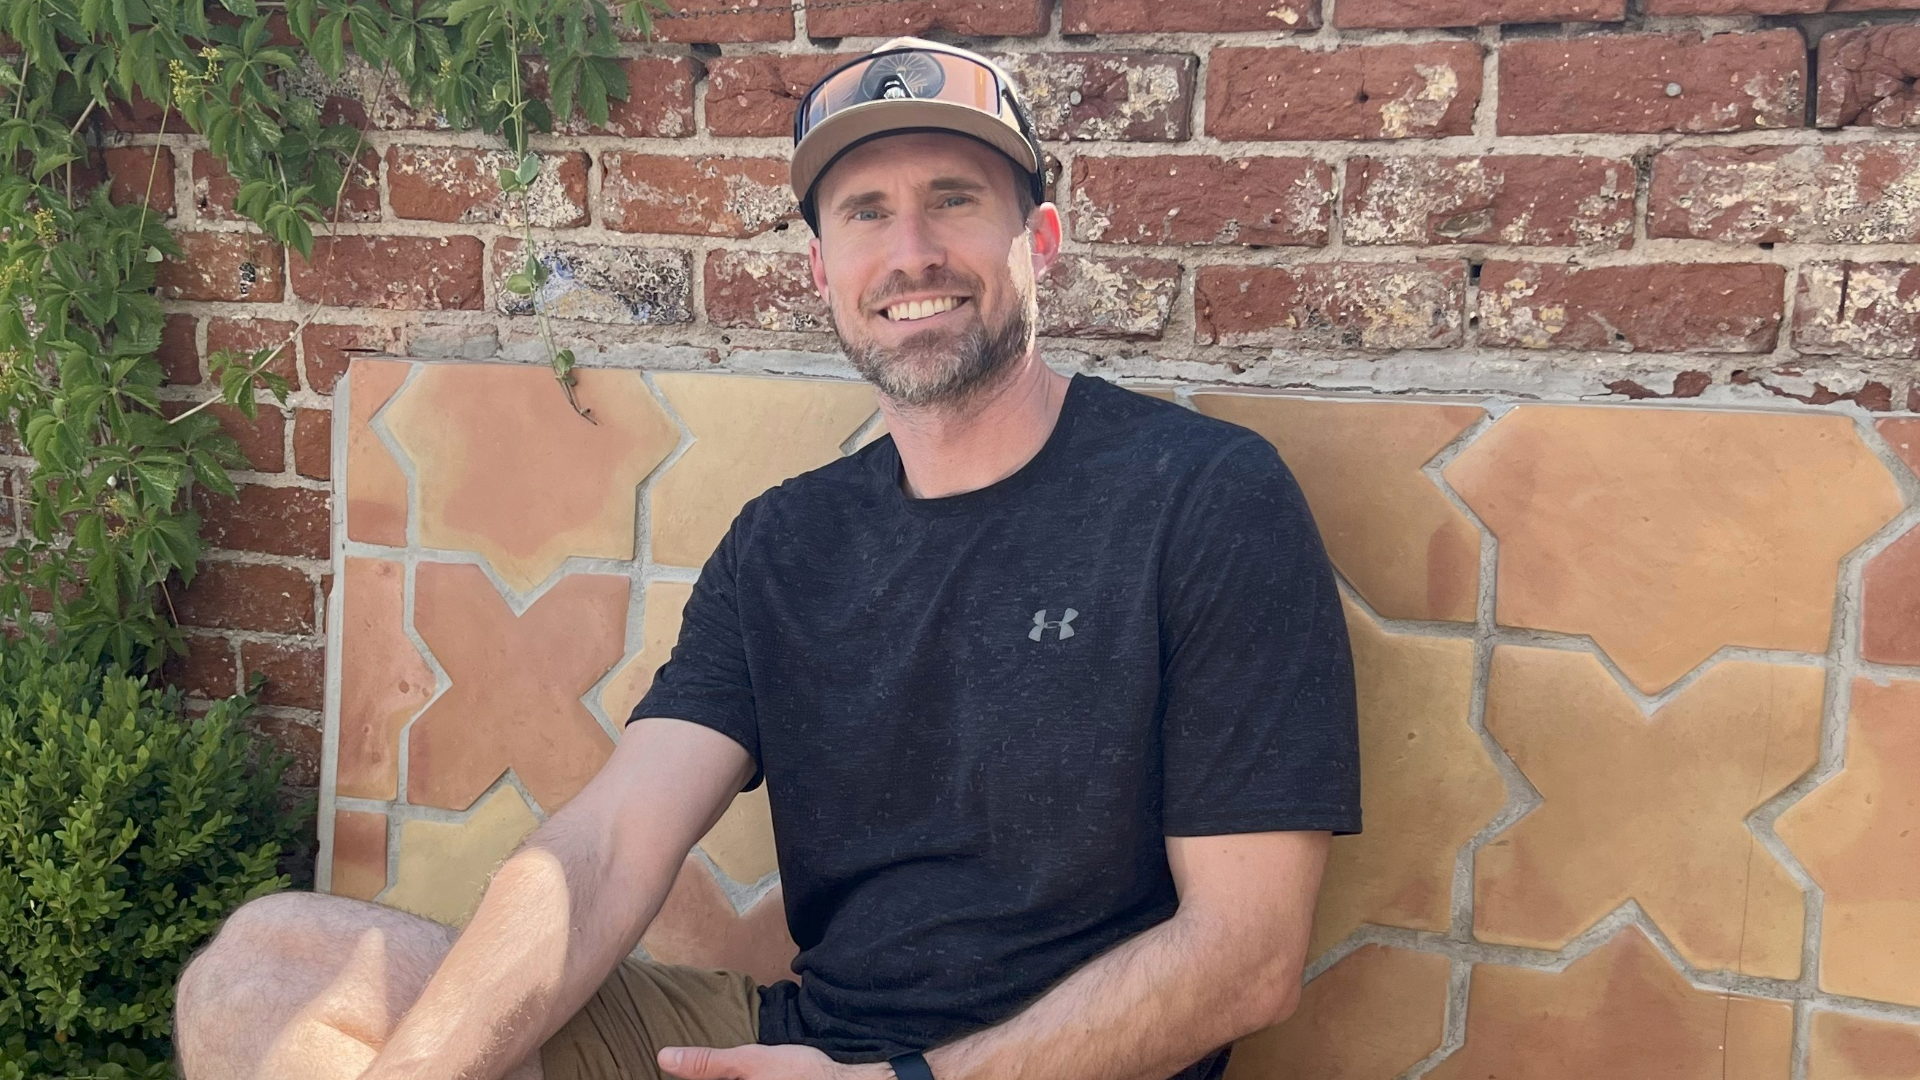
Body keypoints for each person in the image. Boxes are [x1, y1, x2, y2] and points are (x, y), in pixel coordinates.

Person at [174, 37, 1361, 1080]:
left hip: (1036, 1065)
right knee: (263, 970)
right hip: (807, 1038)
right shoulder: (788, 543)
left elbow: (1245, 959)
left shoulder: (1203, 497)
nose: (911, 252)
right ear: (820, 270)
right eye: (864, 213)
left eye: (954, 199)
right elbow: (607, 845)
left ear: (1036, 239)